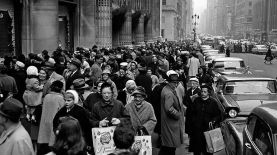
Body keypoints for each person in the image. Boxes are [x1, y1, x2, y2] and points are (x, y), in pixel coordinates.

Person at [185, 85, 221, 155]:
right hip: (197, 130)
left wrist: (213, 121)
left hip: (207, 130)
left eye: (205, 92)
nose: (202, 93)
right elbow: (190, 114)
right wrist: (190, 128)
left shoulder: (213, 102)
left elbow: (218, 115)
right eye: (202, 91)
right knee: (197, 150)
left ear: (208, 93)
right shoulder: (196, 101)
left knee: (207, 150)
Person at [160, 70, 185, 155]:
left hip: (169, 124)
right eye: (173, 82)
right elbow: (169, 109)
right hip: (171, 124)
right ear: (169, 82)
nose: (176, 84)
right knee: (170, 148)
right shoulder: (168, 93)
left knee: (168, 147)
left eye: (176, 82)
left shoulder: (167, 89)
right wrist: (178, 115)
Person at [37, 80, 65, 154]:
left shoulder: (46, 96)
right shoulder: (60, 98)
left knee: (44, 142)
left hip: (45, 121)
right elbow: (63, 110)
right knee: (52, 141)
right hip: (54, 122)